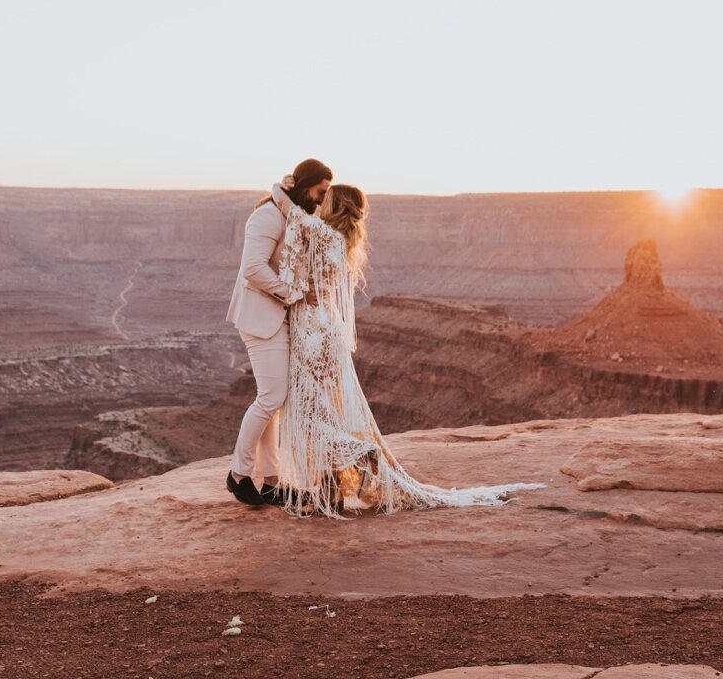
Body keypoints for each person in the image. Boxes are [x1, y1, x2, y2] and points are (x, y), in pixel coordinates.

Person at [266, 175, 545, 518]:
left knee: (307, 414)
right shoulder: (339, 241)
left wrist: (280, 188)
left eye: (326, 198)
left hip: (313, 332)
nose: (319, 202)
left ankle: (357, 452)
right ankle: (332, 489)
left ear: (335, 207)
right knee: (322, 411)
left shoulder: (324, 236)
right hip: (325, 330)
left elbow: (292, 215)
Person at [223, 158, 333, 506]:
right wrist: (296, 294)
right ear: (304, 186)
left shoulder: (292, 214)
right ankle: (238, 474)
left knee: (278, 401)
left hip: (276, 317)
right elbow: (253, 269)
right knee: (271, 397)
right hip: (259, 318)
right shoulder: (267, 216)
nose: (320, 200)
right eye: (319, 192)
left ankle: (272, 481)